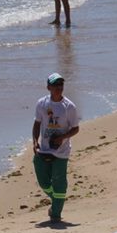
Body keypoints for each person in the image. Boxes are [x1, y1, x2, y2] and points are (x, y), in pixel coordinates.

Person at [32, 72, 80, 223]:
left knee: (59, 184)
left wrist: (62, 137)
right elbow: (37, 124)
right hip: (44, 149)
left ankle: (55, 214)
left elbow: (75, 128)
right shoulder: (42, 103)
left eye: (61, 84)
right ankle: (57, 200)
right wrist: (35, 141)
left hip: (61, 152)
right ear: (48, 87)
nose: (59, 87)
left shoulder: (69, 107)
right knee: (43, 182)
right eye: (55, 85)